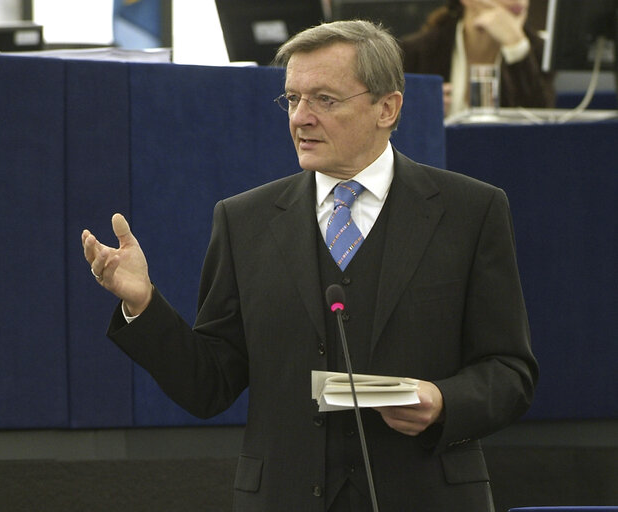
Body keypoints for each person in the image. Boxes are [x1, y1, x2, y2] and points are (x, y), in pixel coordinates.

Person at [82, 19, 538, 512]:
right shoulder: (244, 221)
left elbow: (509, 370)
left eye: (325, 99)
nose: (301, 117)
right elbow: (209, 385)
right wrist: (143, 305)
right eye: (293, 99)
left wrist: (445, 401)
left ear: (387, 107)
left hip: (425, 494)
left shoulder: (469, 211)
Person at [401, 0, 555, 117]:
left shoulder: (538, 51)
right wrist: (420, 113)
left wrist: (517, 48)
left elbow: (543, 128)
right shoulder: (414, 52)